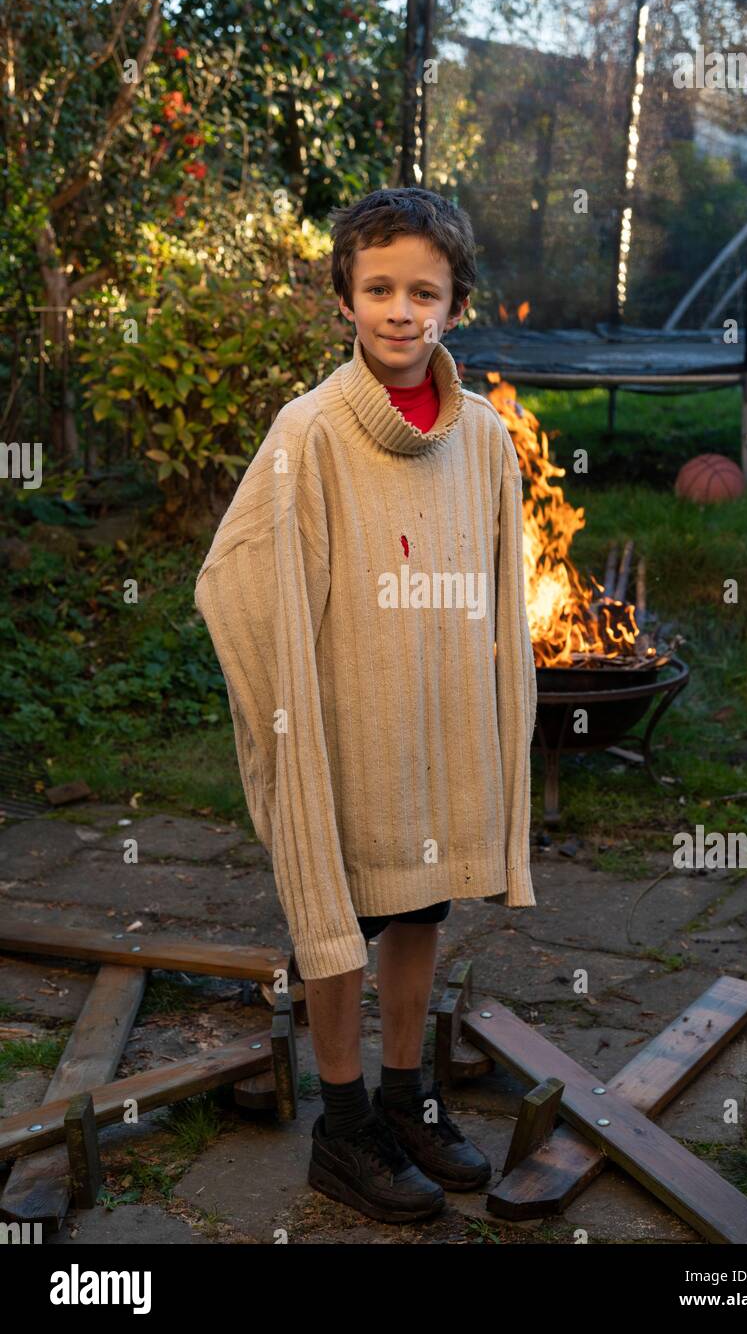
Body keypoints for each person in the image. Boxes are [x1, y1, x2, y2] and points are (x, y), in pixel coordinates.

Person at [194, 186, 538, 1224]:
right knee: (345, 918)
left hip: (435, 728)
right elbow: (236, 572)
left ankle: (407, 1094)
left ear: (454, 303)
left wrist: (489, 714)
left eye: (422, 290)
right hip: (349, 727)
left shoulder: (482, 436)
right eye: (378, 286)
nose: (400, 308)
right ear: (345, 297)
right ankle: (341, 1123)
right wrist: (290, 710)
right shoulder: (310, 431)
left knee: (421, 906)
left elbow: (496, 593)